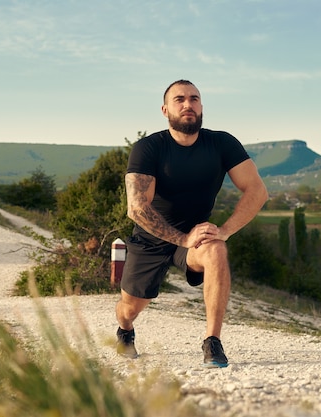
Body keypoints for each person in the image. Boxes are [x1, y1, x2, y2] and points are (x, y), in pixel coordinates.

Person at [115, 79, 268, 367]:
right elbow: (137, 208)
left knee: (216, 249)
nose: (188, 104)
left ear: (201, 106)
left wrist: (224, 231)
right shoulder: (148, 148)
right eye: (180, 99)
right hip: (151, 239)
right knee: (130, 308)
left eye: (194, 99)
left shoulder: (222, 143)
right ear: (165, 109)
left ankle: (213, 341)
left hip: (195, 237)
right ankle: (125, 330)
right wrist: (181, 238)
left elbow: (257, 190)